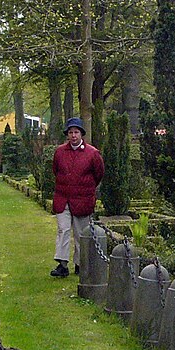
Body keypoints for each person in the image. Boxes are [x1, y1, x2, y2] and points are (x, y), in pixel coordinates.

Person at [50, 117, 104, 277]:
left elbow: (99, 174)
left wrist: (86, 188)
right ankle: (62, 264)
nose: (73, 135)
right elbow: (56, 170)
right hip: (62, 198)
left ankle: (81, 263)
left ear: (81, 134)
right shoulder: (60, 152)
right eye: (71, 132)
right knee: (63, 230)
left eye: (76, 132)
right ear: (67, 134)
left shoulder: (92, 153)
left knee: (81, 234)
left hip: (83, 200)